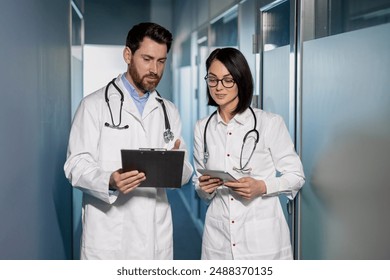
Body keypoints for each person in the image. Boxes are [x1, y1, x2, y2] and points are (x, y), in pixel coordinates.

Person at [64, 22, 193, 260]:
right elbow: (75, 164)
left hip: (155, 233)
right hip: (109, 233)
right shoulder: (93, 106)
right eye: (147, 59)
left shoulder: (169, 111)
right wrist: (109, 180)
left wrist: (176, 166)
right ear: (127, 55)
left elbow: (185, 171)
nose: (155, 69)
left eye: (161, 61)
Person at [193, 47, 305, 260]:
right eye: (213, 79)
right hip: (218, 238)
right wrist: (204, 188)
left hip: (262, 238)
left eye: (227, 80)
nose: (218, 87)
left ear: (240, 80)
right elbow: (200, 186)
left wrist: (262, 186)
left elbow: (296, 176)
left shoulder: (269, 123)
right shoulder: (202, 127)